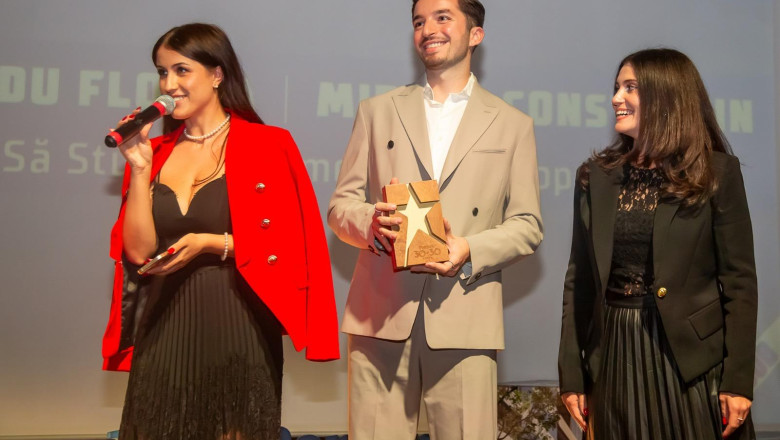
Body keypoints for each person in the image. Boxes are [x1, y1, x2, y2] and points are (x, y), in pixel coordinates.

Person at [100, 23, 340, 440]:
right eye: (162, 72)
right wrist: (138, 169)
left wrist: (213, 244)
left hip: (239, 322)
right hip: (164, 323)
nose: (168, 85)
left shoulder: (269, 144)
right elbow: (137, 253)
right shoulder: (154, 153)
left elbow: (294, 246)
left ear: (216, 75)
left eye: (181, 70)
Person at [328, 0, 543, 438]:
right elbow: (340, 206)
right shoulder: (377, 110)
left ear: (475, 34)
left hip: (465, 311)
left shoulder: (512, 123)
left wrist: (469, 249)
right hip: (381, 313)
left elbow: (527, 224)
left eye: (443, 17)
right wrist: (371, 223)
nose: (428, 29)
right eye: (419, 21)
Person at [558, 48, 757, 440]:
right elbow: (578, 280)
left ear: (666, 95)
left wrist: (738, 381)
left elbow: (740, 283)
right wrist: (572, 374)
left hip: (690, 364)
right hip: (614, 353)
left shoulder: (716, 173)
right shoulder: (595, 177)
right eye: (617, 87)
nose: (616, 98)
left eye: (630, 87)